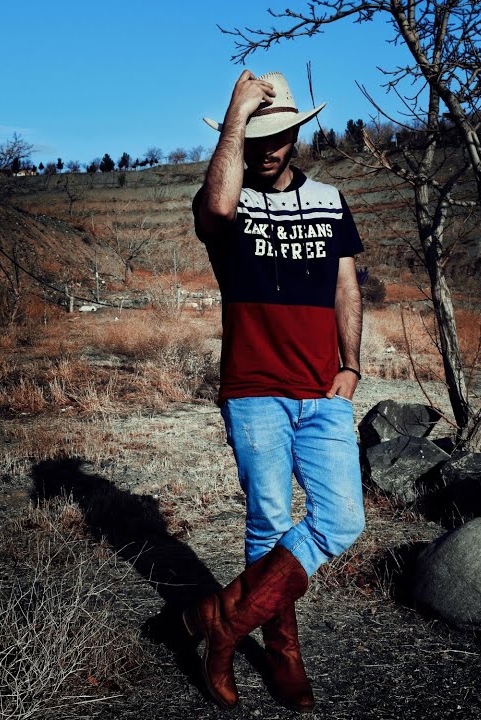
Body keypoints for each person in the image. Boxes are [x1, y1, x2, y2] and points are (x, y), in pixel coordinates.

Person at [183, 69, 366, 712]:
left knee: (342, 520)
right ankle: (284, 652)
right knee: (268, 523)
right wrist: (236, 112)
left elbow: (346, 285)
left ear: (297, 134)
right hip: (254, 387)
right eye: (256, 135)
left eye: (279, 134)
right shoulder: (226, 200)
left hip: (323, 390)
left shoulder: (331, 199)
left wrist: (352, 365)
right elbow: (217, 209)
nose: (268, 147)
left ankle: (223, 622)